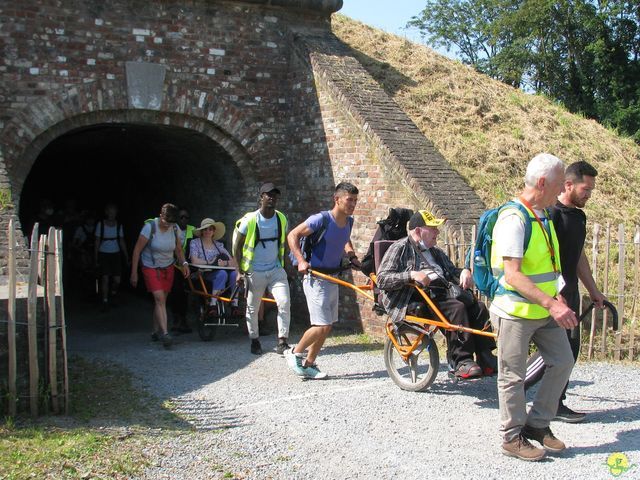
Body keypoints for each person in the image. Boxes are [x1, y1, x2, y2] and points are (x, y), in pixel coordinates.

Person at [490, 153, 578, 461]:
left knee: (563, 361)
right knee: (512, 376)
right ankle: (511, 438)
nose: (562, 190)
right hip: (515, 311)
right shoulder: (514, 218)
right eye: (558, 184)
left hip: (543, 309)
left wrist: (560, 296)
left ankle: (537, 425)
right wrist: (552, 305)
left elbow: (548, 266)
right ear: (541, 182)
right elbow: (513, 274)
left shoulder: (542, 214)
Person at [524, 161, 605, 423]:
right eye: (586, 188)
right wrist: (556, 295)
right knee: (557, 350)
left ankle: (556, 403)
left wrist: (593, 290)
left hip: (571, 292)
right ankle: (513, 391)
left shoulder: (578, 216)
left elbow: (578, 255)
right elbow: (545, 257)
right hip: (552, 294)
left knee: (570, 350)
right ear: (568, 184)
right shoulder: (551, 215)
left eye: (591, 190)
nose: (589, 194)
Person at [376, 209, 497, 379]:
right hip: (417, 295)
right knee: (457, 309)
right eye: (432, 228)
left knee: (479, 307)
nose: (437, 232)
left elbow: (452, 270)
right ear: (418, 231)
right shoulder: (400, 248)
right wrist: (411, 275)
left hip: (442, 291)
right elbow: (382, 279)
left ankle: (485, 357)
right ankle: (461, 361)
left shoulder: (435, 251)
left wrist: (464, 271)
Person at [285, 182, 361, 379]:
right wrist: (301, 261)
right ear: (337, 199)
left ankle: (309, 364)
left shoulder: (349, 221)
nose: (352, 204)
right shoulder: (321, 219)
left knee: (327, 326)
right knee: (321, 325)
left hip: (332, 277)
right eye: (349, 200)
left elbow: (344, 238)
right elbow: (292, 235)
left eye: (355, 200)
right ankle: (294, 354)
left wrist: (351, 255)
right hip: (315, 277)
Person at [233, 183, 291, 355]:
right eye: (268, 195)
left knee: (285, 302)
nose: (272, 198)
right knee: (253, 307)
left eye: (275, 195)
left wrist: (286, 267)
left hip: (275, 269)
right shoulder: (249, 221)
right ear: (261, 197)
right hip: (254, 270)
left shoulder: (281, 218)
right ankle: (254, 340)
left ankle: (283, 341)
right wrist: (239, 271)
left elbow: (283, 244)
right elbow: (237, 247)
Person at [130, 203, 189, 348]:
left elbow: (179, 250)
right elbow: (137, 250)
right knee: (159, 299)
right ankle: (165, 334)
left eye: (171, 223)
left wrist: (184, 264)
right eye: (166, 222)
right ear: (161, 216)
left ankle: (155, 331)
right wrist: (134, 273)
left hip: (168, 267)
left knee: (162, 301)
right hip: (150, 266)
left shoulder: (174, 229)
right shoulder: (150, 227)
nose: (168, 225)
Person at [190, 218, 238, 306]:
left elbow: (233, 262)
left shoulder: (219, 245)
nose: (207, 231)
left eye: (210, 229)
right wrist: (210, 262)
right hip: (203, 274)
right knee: (222, 273)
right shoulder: (195, 243)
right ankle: (213, 304)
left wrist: (225, 263)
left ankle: (235, 304)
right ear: (201, 231)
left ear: (214, 231)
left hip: (219, 273)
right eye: (205, 229)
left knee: (234, 274)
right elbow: (194, 260)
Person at [95, 203, 129, 311]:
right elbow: (97, 241)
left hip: (116, 254)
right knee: (105, 278)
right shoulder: (101, 224)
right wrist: (95, 257)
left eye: (113, 212)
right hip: (104, 253)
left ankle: (113, 293)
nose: (111, 214)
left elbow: (122, 241)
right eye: (109, 211)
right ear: (106, 212)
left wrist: (126, 255)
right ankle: (105, 301)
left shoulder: (119, 225)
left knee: (117, 280)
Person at [170, 208, 196, 333]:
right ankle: (176, 318)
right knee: (176, 291)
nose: (184, 219)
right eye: (181, 217)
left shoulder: (192, 229)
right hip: (174, 265)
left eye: (186, 217)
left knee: (186, 293)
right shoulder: (172, 228)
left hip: (187, 266)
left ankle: (183, 319)